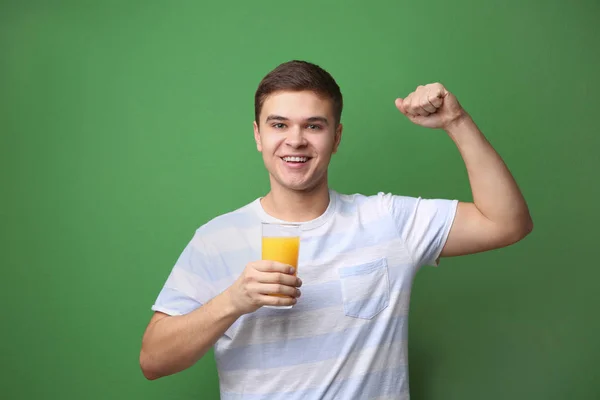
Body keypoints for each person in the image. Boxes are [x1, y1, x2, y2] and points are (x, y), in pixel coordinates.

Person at [139, 60, 533, 399]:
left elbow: (507, 223)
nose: (295, 140)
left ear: (336, 138)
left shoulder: (387, 220)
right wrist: (233, 301)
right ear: (258, 135)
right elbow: (153, 360)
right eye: (279, 124)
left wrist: (456, 122)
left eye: (314, 126)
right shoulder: (215, 239)